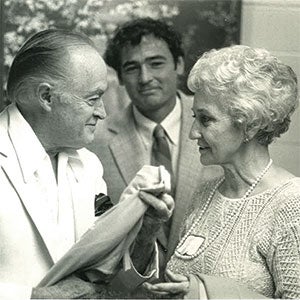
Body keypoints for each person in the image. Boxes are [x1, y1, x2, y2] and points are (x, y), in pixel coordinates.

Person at [0, 28, 174, 299]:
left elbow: (113, 286)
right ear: (46, 97)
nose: (103, 113)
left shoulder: (89, 165)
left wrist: (146, 233)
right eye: (93, 98)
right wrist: (33, 297)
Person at [140, 45, 300, 299]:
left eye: (206, 120)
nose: (193, 132)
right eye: (194, 118)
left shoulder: (291, 203)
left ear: (250, 123)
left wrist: (204, 293)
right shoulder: (207, 192)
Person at [88, 18, 221, 274]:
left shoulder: (218, 126)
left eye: (156, 63)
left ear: (179, 65)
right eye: (132, 68)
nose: (145, 77)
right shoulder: (96, 141)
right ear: (122, 78)